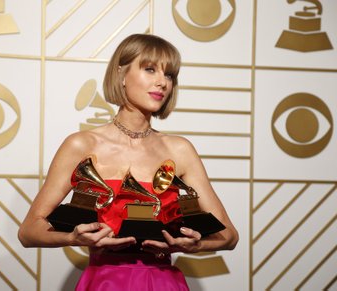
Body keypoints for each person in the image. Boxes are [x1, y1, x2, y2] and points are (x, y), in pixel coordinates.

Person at [18, 33, 239, 290]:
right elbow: (28, 231)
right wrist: (73, 237)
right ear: (121, 75)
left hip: (163, 282)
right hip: (104, 282)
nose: (162, 83)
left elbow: (229, 236)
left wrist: (195, 245)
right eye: (149, 69)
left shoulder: (179, 150)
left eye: (169, 75)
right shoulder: (82, 144)